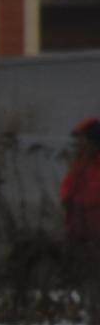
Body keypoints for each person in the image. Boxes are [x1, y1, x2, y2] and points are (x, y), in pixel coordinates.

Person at [64, 117, 100, 287]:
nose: (78, 144)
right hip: (78, 233)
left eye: (82, 139)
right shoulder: (80, 165)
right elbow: (67, 191)